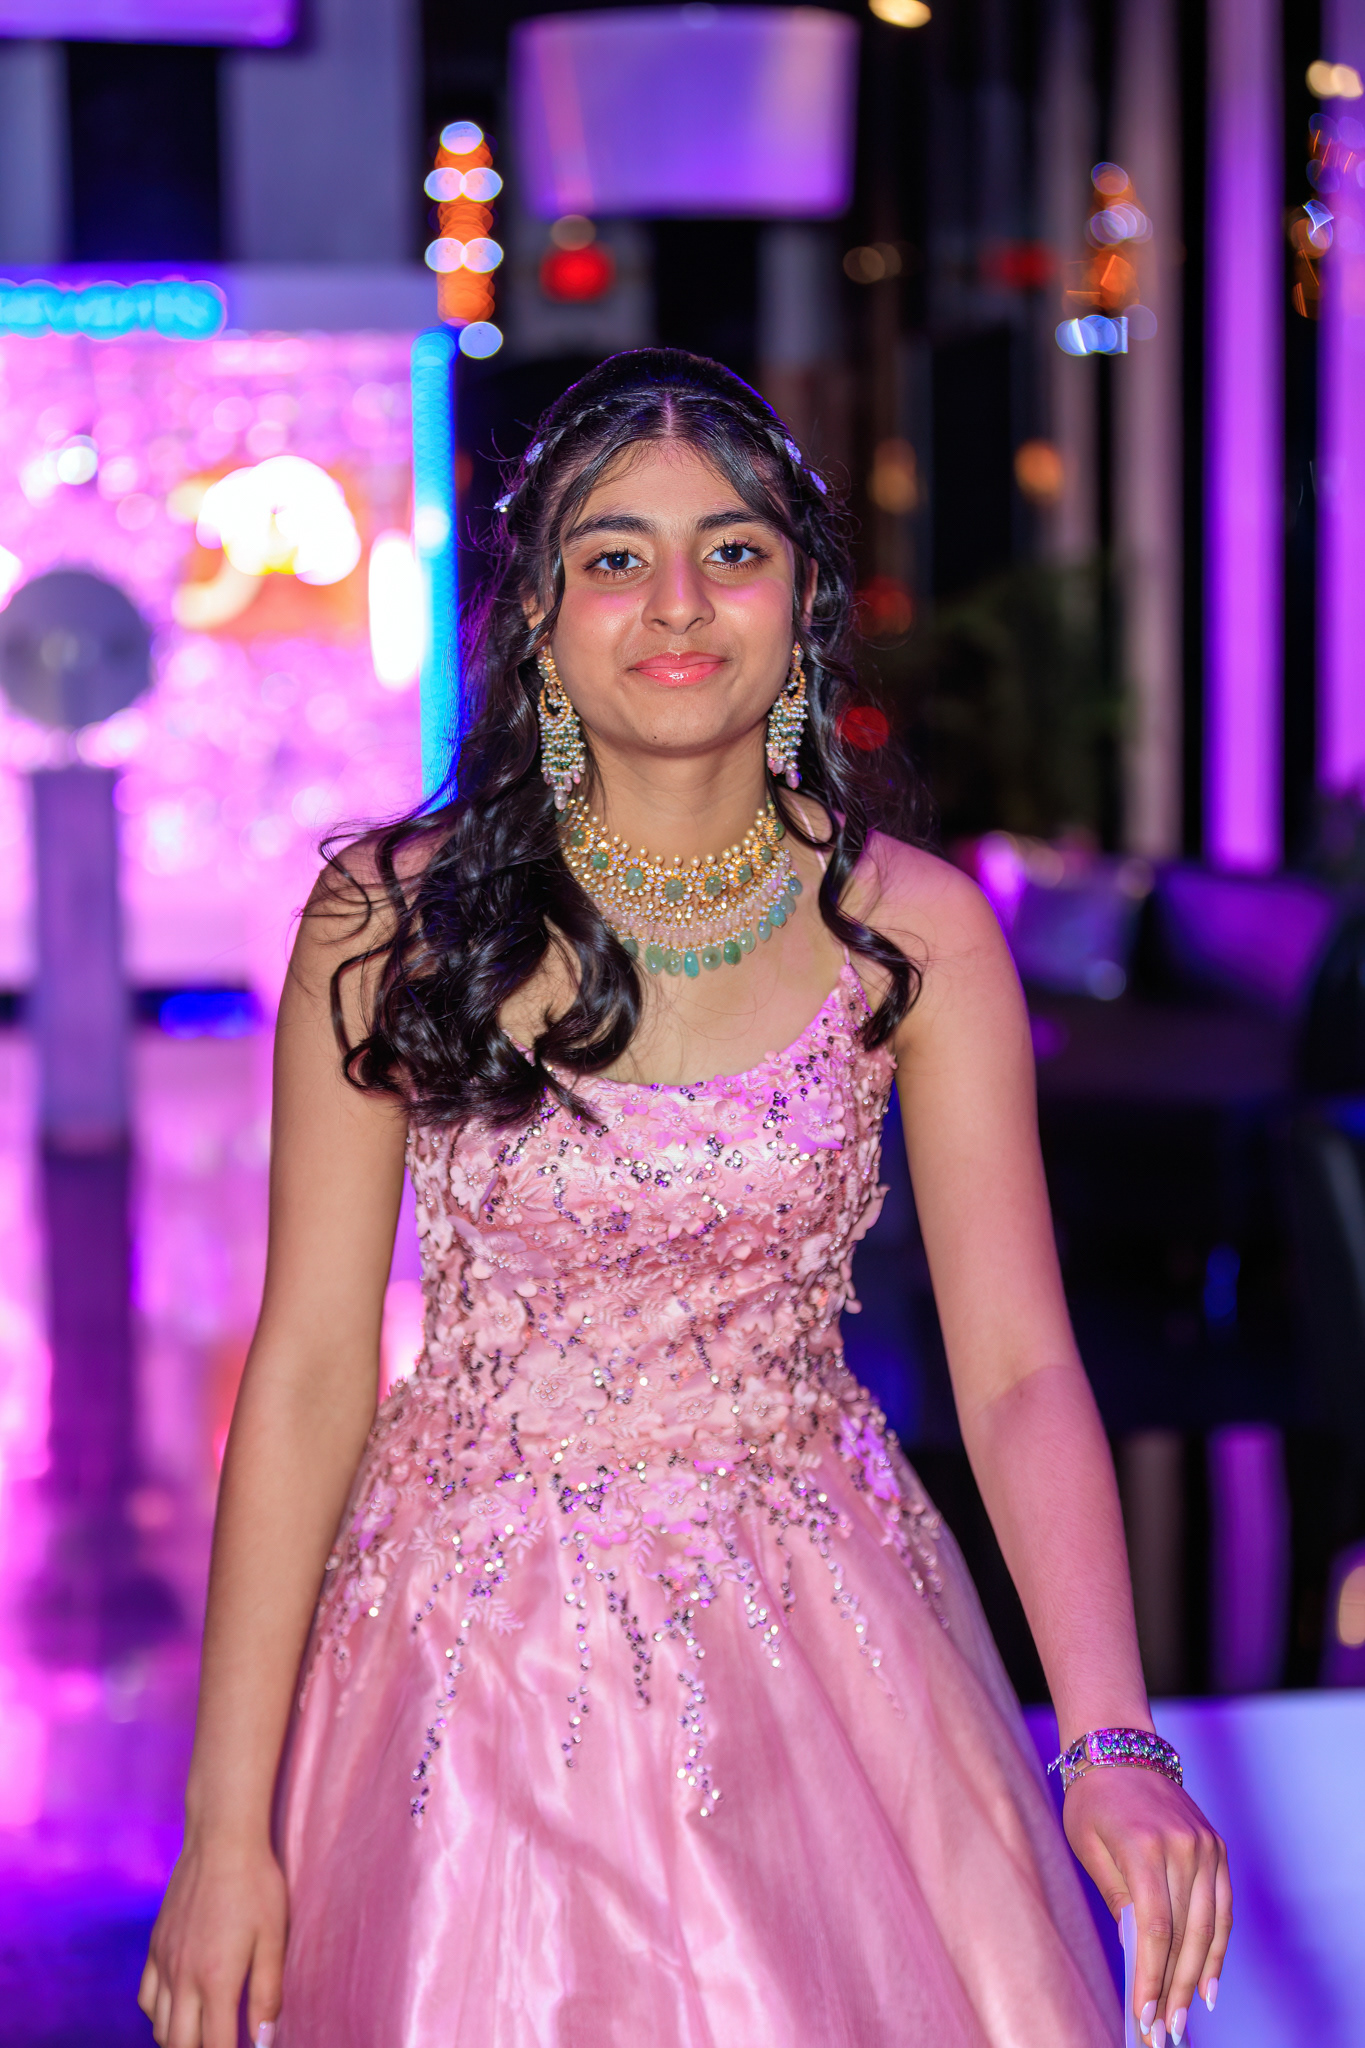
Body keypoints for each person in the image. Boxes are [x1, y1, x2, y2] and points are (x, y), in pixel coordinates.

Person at [139, 349, 1230, 2048]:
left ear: (800, 603)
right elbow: (305, 1376)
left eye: (730, 551)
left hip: (826, 1641)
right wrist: (226, 1829)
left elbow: (1019, 1370)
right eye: (614, 556)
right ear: (539, 615)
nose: (675, 605)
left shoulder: (916, 929)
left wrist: (1111, 1738)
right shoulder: (388, 918)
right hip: (464, 1663)